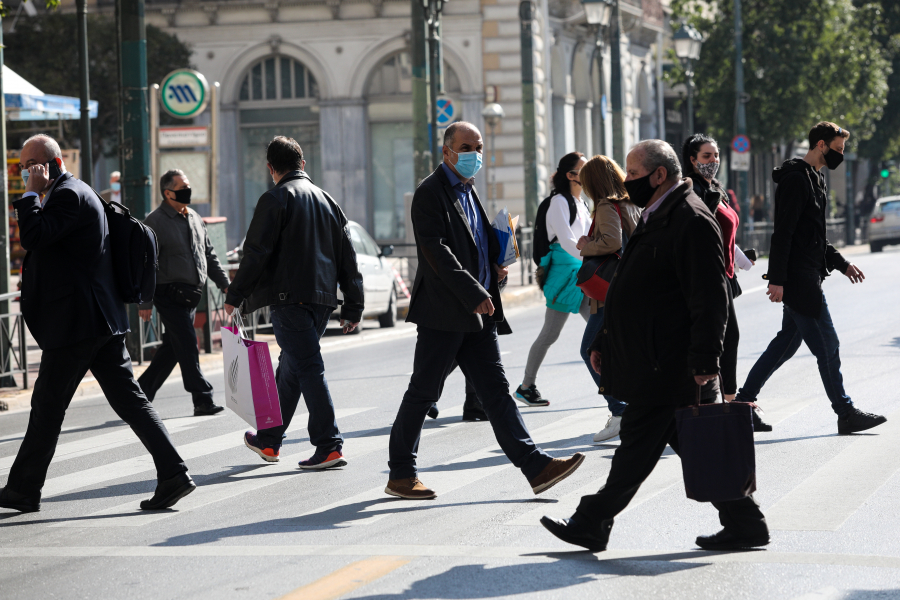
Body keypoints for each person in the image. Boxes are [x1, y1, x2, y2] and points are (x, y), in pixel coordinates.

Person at [541, 139, 769, 552]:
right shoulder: (657, 212)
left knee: (639, 447)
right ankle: (745, 522)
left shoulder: (690, 218)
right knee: (687, 446)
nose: (627, 180)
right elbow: (634, 288)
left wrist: (705, 359)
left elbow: (710, 297)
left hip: (673, 362)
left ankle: (592, 521)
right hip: (657, 358)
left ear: (659, 175)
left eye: (633, 173)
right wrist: (607, 340)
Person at [385, 121, 584, 500]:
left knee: (497, 393)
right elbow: (436, 251)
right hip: (445, 313)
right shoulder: (430, 192)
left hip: (479, 315)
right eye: (466, 148)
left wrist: (495, 265)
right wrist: (473, 290)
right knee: (423, 392)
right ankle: (401, 473)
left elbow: (472, 244)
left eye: (478, 147)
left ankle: (536, 467)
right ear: (446, 152)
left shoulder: (469, 189)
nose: (474, 154)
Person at [0, 135, 193, 513]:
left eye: (30, 166)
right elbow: (60, 252)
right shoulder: (73, 193)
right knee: (129, 401)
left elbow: (34, 237)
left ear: (51, 165)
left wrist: (30, 195)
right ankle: (173, 473)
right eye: (23, 168)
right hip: (97, 321)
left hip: (78, 324)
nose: (25, 173)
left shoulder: (68, 194)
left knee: (48, 407)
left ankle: (23, 489)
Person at [734, 122, 886, 435]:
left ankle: (742, 403)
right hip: (799, 279)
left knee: (785, 345)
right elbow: (783, 233)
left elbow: (814, 236)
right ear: (821, 145)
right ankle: (845, 412)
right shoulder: (795, 179)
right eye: (838, 149)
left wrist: (842, 264)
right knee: (828, 345)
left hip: (807, 275)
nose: (840, 155)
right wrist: (777, 279)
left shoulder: (814, 178)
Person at [225, 136, 364, 469]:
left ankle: (329, 444)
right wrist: (353, 305)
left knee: (308, 367)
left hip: (289, 300)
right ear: (302, 164)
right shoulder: (329, 201)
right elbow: (348, 257)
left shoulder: (275, 198)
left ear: (270, 168)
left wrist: (235, 296)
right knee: (291, 368)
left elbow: (256, 253)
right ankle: (269, 439)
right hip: (322, 301)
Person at [682, 134, 767, 428]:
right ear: (692, 159)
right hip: (709, 276)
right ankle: (729, 406)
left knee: (727, 339)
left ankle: (728, 404)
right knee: (726, 339)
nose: (713, 161)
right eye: (706, 156)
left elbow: (724, 235)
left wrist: (742, 260)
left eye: (716, 155)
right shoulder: (693, 191)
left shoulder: (715, 189)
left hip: (725, 274)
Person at [137, 170, 231, 417]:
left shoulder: (195, 218)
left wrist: (226, 285)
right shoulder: (154, 222)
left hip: (190, 295)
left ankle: (139, 393)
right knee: (188, 342)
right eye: (182, 187)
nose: (188, 191)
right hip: (167, 294)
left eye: (188, 186)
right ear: (168, 193)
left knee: (172, 348)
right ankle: (202, 399)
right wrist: (145, 301)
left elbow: (209, 255)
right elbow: (145, 264)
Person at [514, 152, 591, 407]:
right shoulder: (559, 202)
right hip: (564, 276)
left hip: (581, 273)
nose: (589, 173)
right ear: (570, 175)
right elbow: (568, 241)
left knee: (602, 328)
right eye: (584, 169)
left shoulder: (582, 203)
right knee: (550, 333)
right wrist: (592, 256)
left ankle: (617, 389)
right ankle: (526, 386)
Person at [575, 155, 640, 442]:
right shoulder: (631, 203)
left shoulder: (605, 205)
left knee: (590, 350)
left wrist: (587, 245)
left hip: (610, 292)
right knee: (620, 353)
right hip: (630, 288)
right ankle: (633, 410)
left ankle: (620, 411)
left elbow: (612, 242)